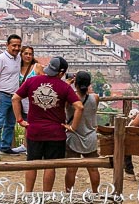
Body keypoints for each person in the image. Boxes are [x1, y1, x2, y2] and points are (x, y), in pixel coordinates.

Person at [12, 56, 83, 192]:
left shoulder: (32, 81)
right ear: (61, 73)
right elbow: (79, 107)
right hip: (56, 133)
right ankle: (46, 196)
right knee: (50, 166)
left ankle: (28, 194)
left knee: (31, 164)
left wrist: (20, 119)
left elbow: (15, 98)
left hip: (34, 130)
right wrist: (72, 127)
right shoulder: (64, 87)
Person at [64, 71, 100, 192]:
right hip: (90, 136)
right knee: (93, 169)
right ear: (89, 84)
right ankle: (95, 193)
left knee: (71, 169)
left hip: (73, 136)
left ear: (76, 84)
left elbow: (62, 98)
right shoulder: (95, 98)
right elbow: (89, 96)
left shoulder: (70, 100)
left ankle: (69, 194)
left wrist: (67, 85)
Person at [0, 34, 22, 156]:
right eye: (14, 45)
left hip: (14, 97)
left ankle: (5, 146)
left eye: (18, 45)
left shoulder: (18, 58)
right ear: (7, 45)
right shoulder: (1, 59)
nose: (16, 48)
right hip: (2, 95)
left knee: (10, 123)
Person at [12, 46, 44, 154]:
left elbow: (44, 82)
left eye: (30, 54)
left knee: (33, 123)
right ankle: (26, 145)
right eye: (26, 53)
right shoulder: (17, 68)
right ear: (21, 55)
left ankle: (31, 146)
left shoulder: (37, 67)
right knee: (27, 123)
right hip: (22, 101)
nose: (28, 56)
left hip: (34, 100)